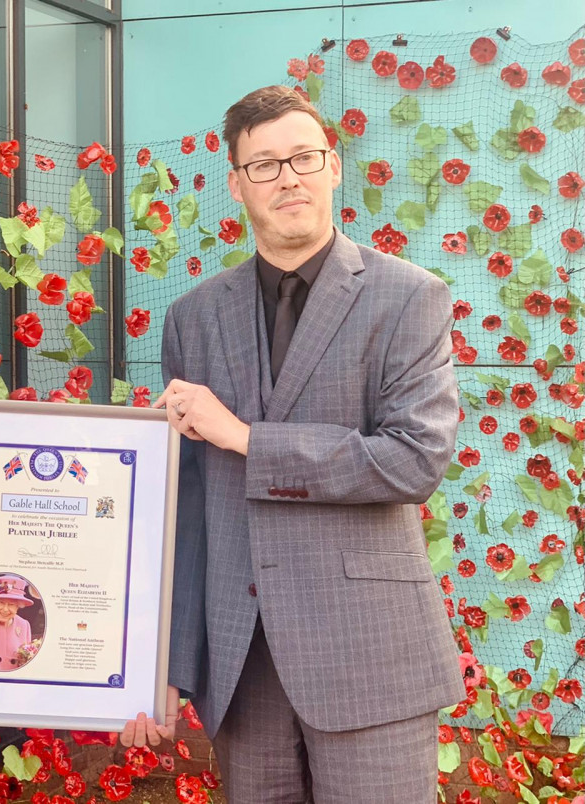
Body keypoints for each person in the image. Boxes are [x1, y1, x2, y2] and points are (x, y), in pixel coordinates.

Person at [122, 86, 465, 802]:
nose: (288, 179)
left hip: (368, 660)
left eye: (304, 158)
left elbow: (413, 460)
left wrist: (247, 439)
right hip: (243, 670)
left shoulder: (409, 298)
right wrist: (160, 659)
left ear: (334, 168)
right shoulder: (193, 319)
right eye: (265, 165)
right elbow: (186, 507)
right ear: (236, 184)